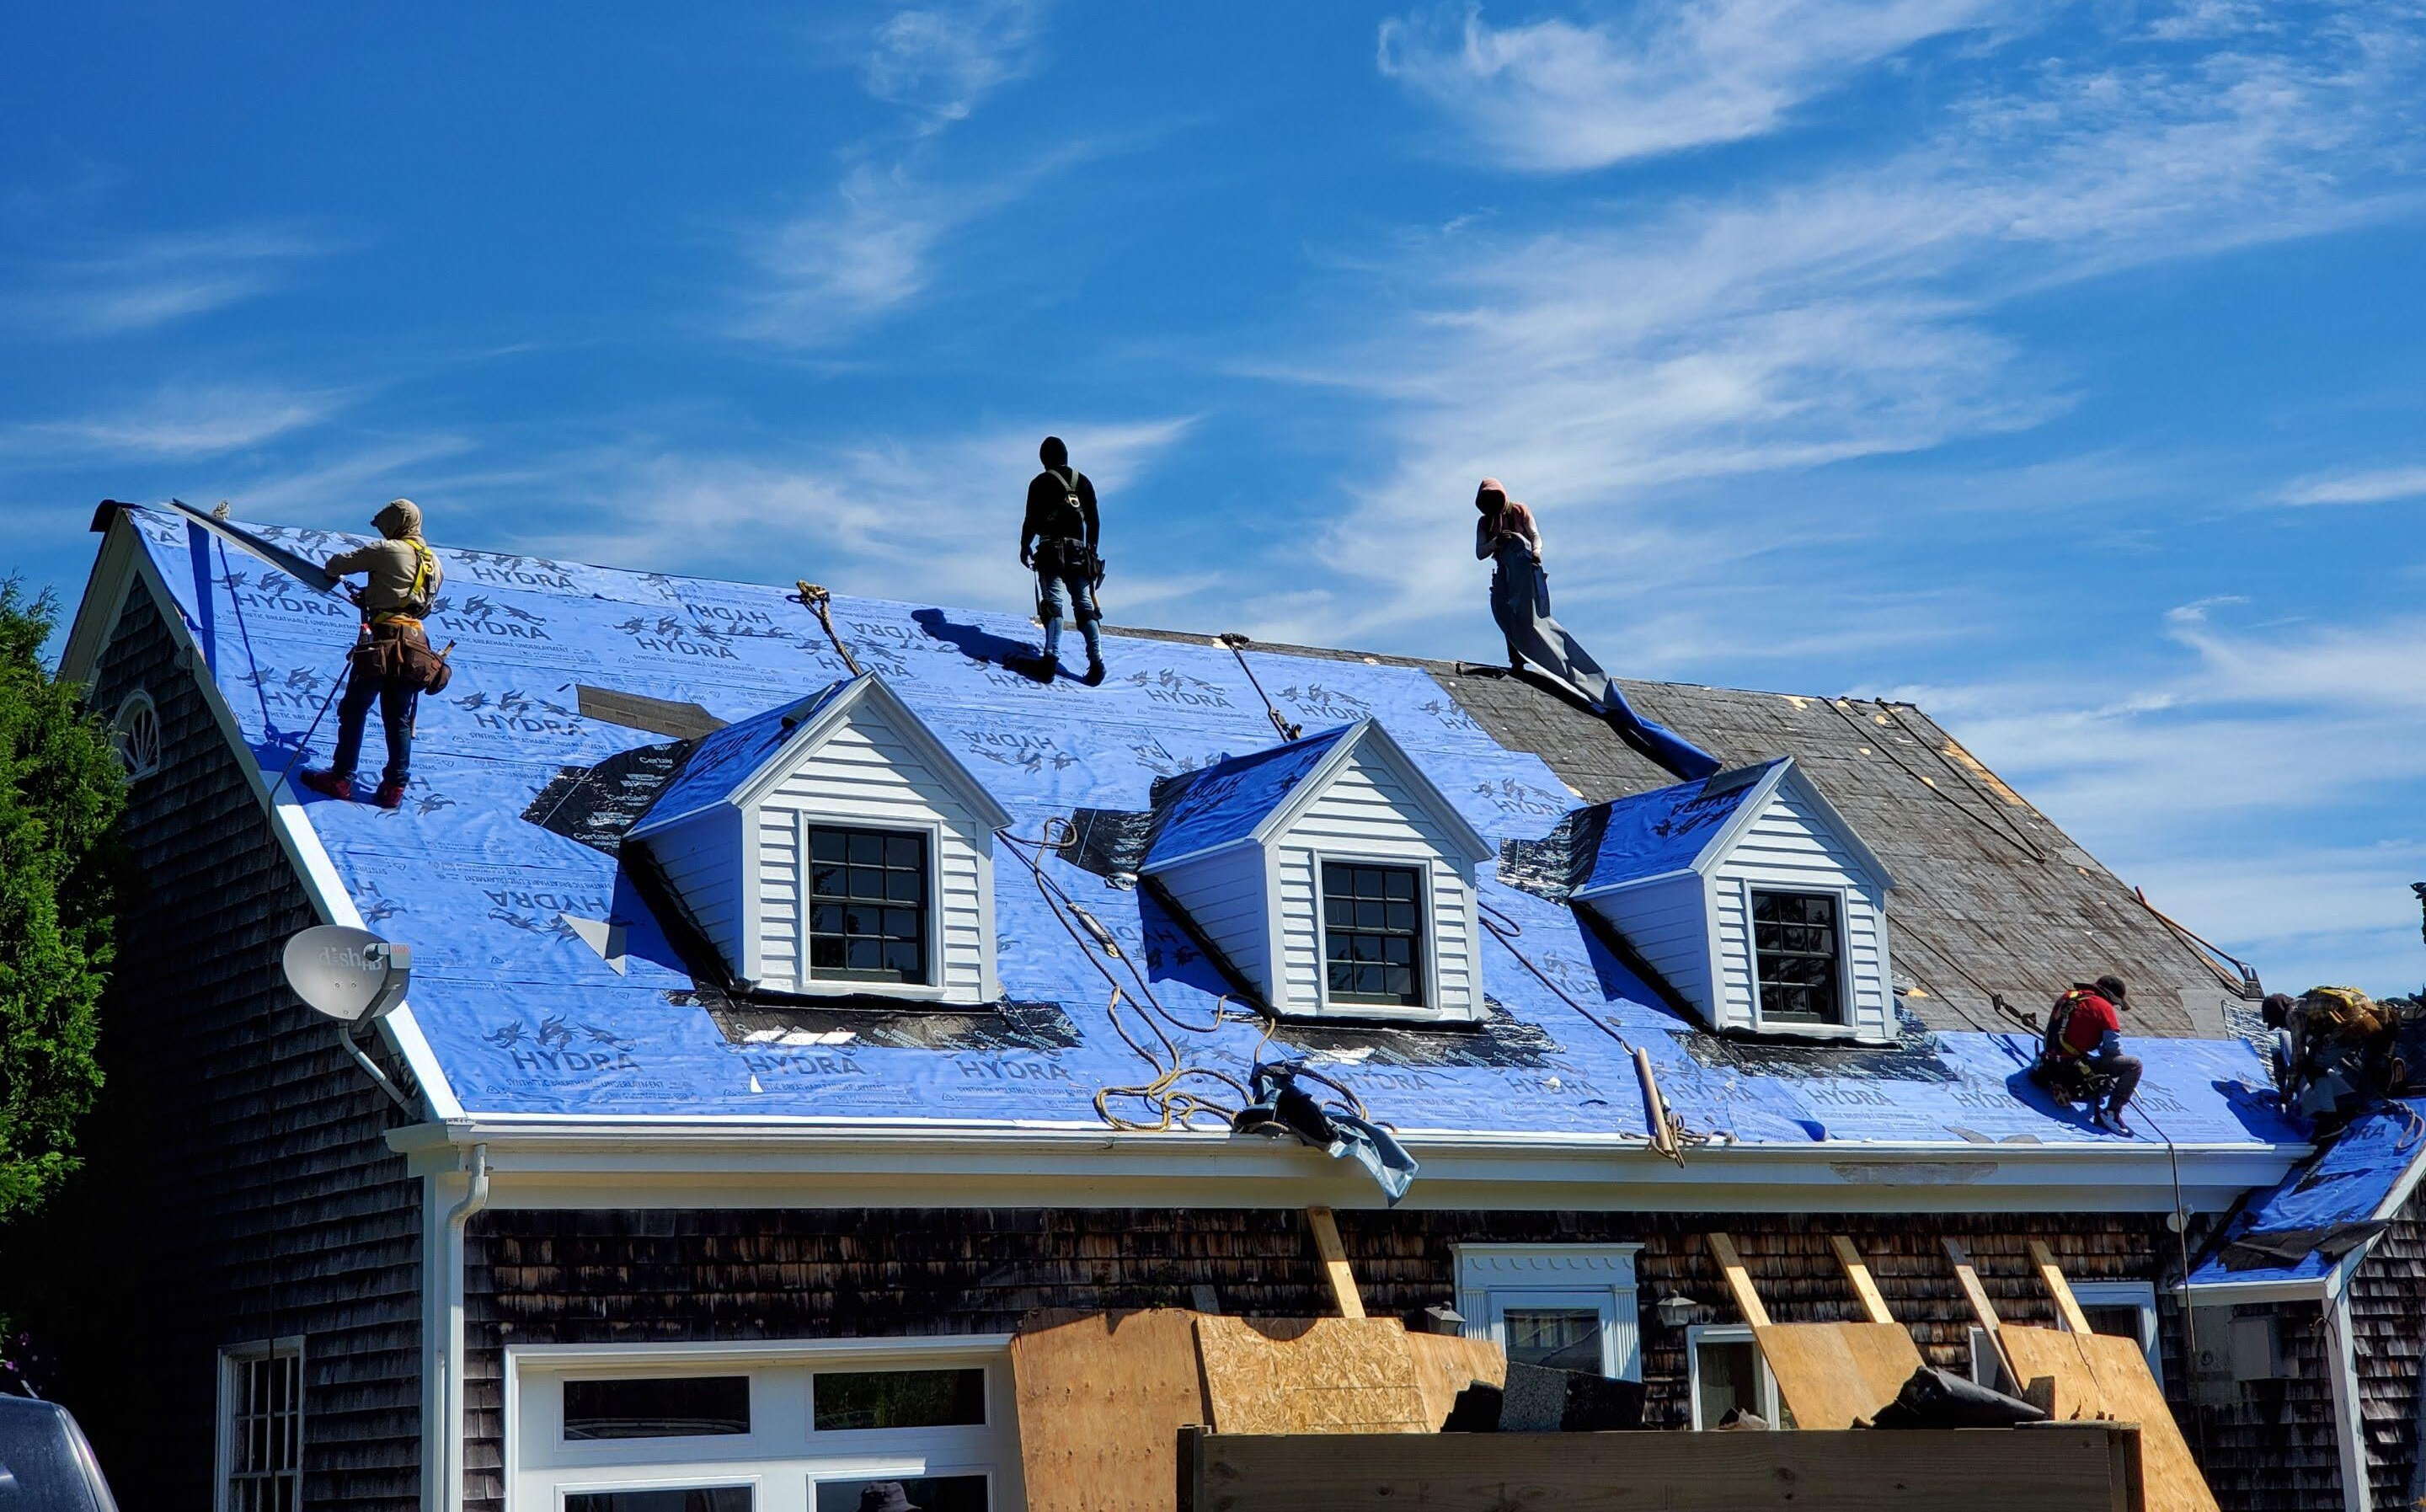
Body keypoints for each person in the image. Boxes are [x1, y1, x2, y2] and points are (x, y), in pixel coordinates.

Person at [1472, 478, 1720, 783]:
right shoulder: (1486, 523)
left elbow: (1536, 538)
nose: (1493, 506)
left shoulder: (1520, 511)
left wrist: (1535, 553)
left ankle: (1564, 670)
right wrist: (1498, 542)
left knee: (1534, 621)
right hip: (1506, 576)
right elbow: (1480, 552)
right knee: (1508, 617)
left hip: (1526, 572)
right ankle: (1518, 659)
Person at [300, 500, 447, 809]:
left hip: (382, 640)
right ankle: (395, 787)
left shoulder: (387, 549)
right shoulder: (435, 562)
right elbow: (414, 599)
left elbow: (335, 565)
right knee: (399, 717)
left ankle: (341, 777)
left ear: (396, 523)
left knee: (355, 708)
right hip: (416, 644)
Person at [1019, 435, 1106, 685]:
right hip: (1080, 553)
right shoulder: (1084, 482)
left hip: (1051, 550)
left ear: (1044, 460)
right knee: (1084, 606)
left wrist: (1025, 546)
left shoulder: (1040, 482)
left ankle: (1050, 659)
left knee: (1053, 604)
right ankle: (1097, 662)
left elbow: (1032, 520)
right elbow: (1094, 521)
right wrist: (1092, 550)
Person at [2037, 975, 2142, 1135]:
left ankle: (2055, 1080)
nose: (2113, 1006)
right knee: (2133, 1065)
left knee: (2084, 1059)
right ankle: (2112, 1113)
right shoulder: (2104, 1007)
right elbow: (2112, 1050)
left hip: (2049, 1061)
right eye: (2115, 1003)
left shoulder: (2068, 996)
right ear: (2110, 996)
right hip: (2071, 1066)